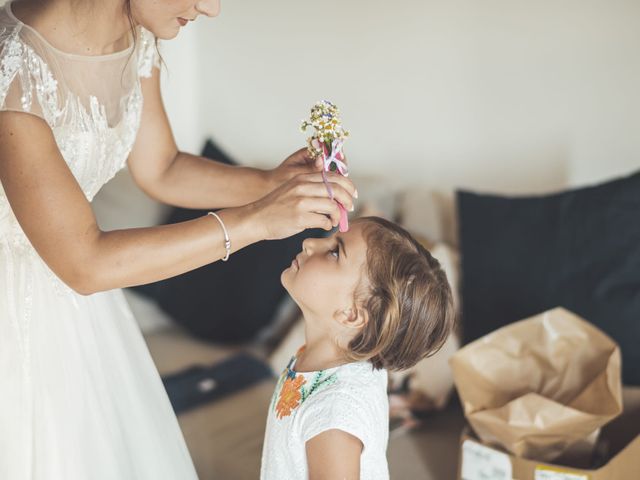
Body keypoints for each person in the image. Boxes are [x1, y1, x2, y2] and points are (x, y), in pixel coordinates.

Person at [0, 0, 357, 478]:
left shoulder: (135, 37)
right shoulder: (12, 73)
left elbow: (161, 167)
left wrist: (273, 183)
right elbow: (85, 263)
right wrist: (255, 221)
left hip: (76, 311)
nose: (211, 9)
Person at [260, 217, 457, 480]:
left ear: (351, 314)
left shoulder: (333, 415)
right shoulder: (324, 358)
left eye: (334, 252)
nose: (309, 242)